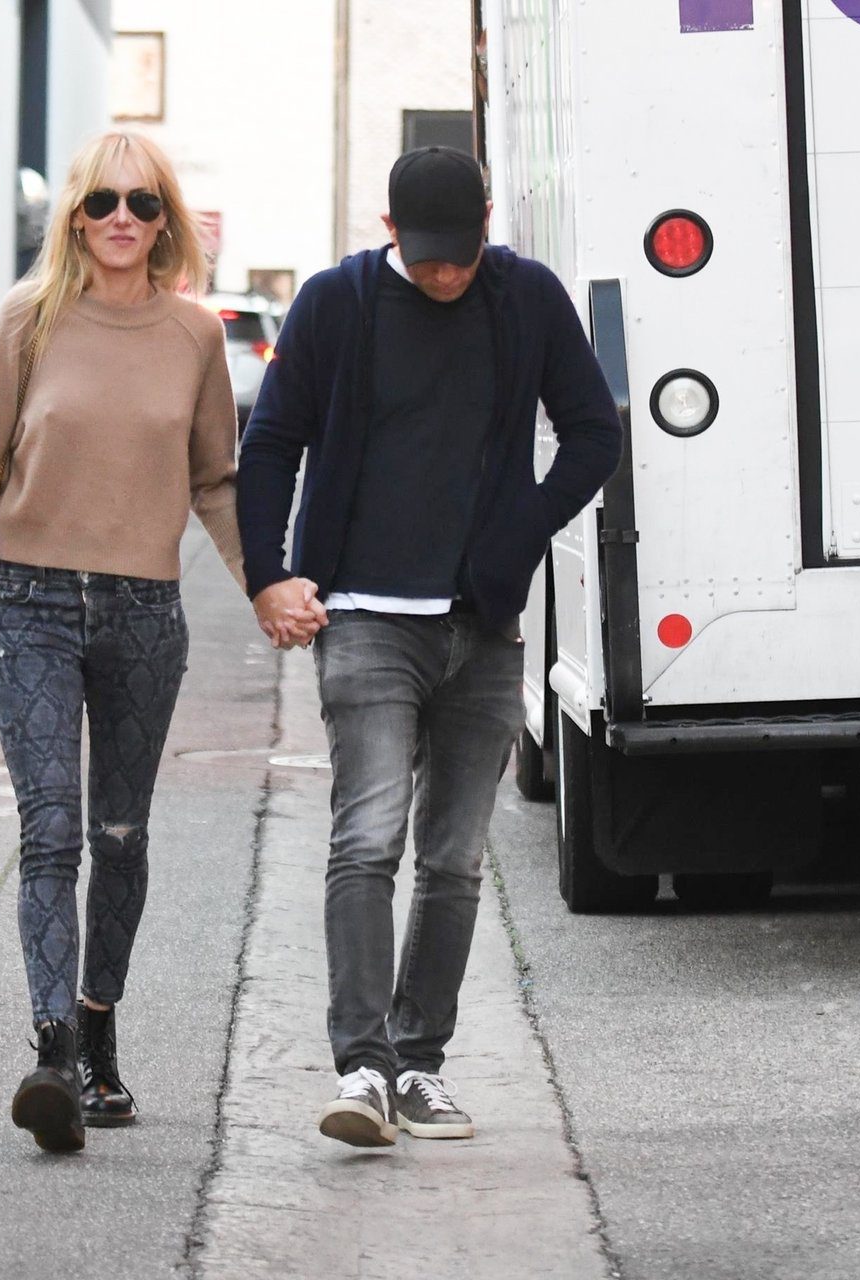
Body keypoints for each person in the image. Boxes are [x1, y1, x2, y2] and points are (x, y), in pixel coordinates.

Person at [237, 146, 623, 1147]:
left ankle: (420, 1065)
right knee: (368, 839)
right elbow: (270, 441)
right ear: (389, 230)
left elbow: (594, 429)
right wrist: (269, 574)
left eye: (461, 252)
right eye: (426, 256)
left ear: (487, 225)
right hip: (364, 619)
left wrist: (522, 528)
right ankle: (362, 1068)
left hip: (482, 626)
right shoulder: (337, 304)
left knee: (452, 858)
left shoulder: (526, 299)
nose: (446, 273)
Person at [0, 130, 304, 1154]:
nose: (122, 220)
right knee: (51, 827)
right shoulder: (29, 317)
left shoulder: (194, 335)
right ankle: (54, 1056)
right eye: (102, 201)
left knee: (120, 836)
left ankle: (99, 1029)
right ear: (75, 214)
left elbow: (216, 480)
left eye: (143, 204)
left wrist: (265, 583)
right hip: (30, 604)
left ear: (165, 219)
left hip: (145, 611)